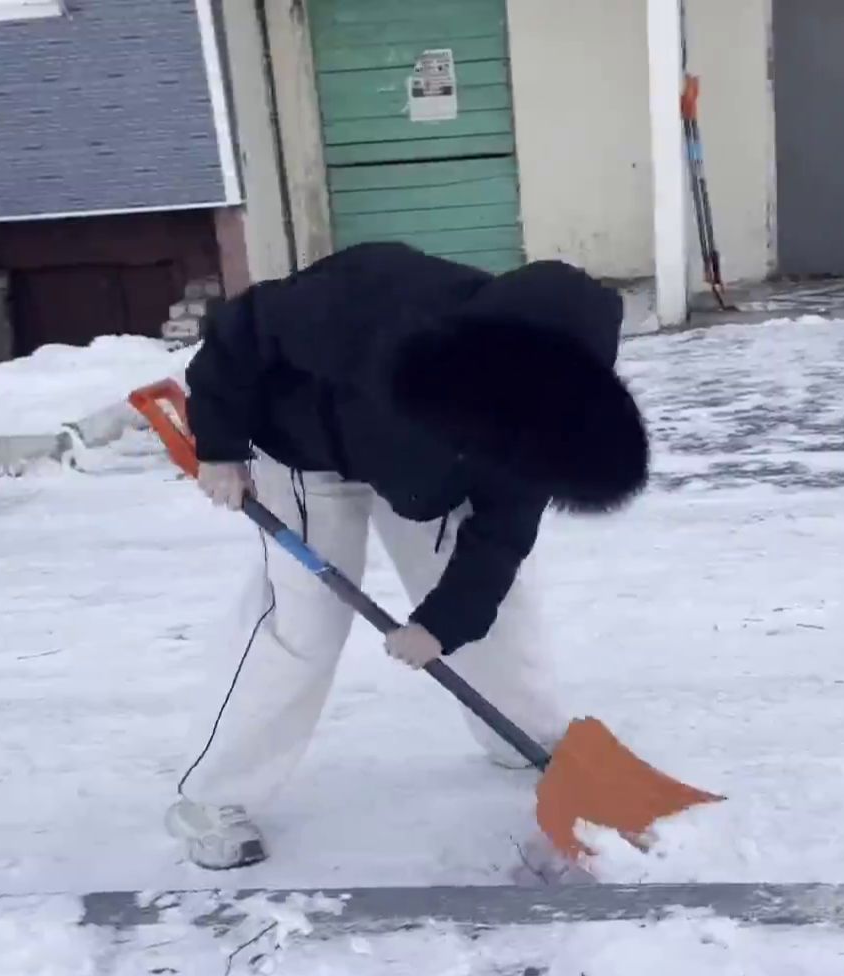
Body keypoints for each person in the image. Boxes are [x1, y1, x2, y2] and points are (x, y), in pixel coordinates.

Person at [169, 241, 650, 870]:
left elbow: (500, 536)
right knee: (305, 624)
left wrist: (440, 625)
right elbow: (242, 330)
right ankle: (213, 797)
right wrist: (220, 446)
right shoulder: (373, 304)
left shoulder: (542, 419)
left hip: (425, 475)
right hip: (305, 448)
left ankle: (525, 738)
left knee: (499, 608)